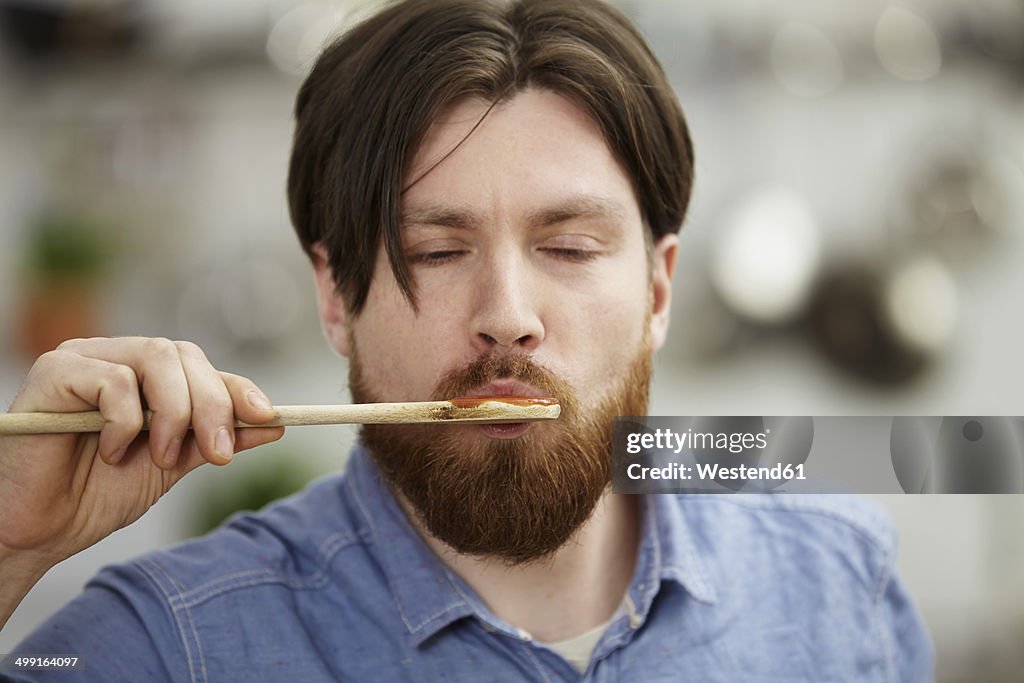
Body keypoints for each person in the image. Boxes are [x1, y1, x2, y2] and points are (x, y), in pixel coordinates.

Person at [0, 0, 933, 680]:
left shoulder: (836, 571)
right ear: (334, 296)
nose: (507, 312)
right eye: (439, 251)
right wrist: (10, 548)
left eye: (567, 246)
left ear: (659, 287)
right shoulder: (164, 644)